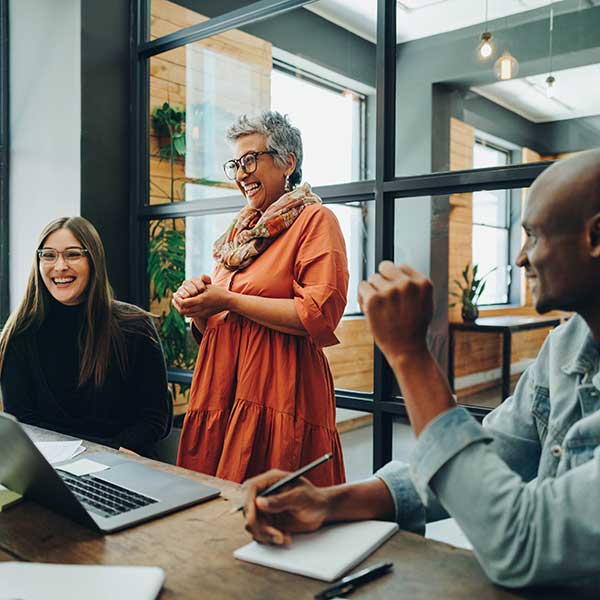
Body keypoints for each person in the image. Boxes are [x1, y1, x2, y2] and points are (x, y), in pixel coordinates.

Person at [241, 149, 600, 588]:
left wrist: (410, 356)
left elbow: (522, 542)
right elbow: (487, 457)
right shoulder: (565, 345)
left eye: (534, 236)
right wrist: (329, 502)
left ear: (595, 236)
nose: (522, 258)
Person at [173, 111, 348, 485]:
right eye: (235, 164)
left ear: (288, 162)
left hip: (280, 393)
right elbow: (217, 325)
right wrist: (199, 307)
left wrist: (229, 300)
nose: (241, 174)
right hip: (222, 390)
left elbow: (317, 314)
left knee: (277, 512)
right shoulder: (238, 236)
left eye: (251, 159)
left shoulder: (315, 221)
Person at [0, 217, 171, 456]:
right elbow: (23, 424)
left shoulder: (135, 327)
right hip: (50, 469)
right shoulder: (20, 333)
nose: (59, 266)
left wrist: (106, 456)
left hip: (121, 463)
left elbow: (153, 419)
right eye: (48, 255)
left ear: (94, 261)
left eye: (72, 254)